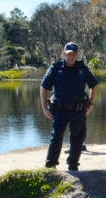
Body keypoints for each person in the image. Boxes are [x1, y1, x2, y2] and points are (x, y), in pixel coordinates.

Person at [40, 42, 98, 172]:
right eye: (68, 54)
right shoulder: (56, 68)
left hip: (79, 110)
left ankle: (73, 165)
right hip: (60, 109)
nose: (71, 57)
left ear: (77, 55)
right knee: (56, 137)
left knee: (77, 138)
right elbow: (44, 87)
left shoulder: (82, 68)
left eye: (73, 54)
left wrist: (91, 103)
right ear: (63, 54)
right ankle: (50, 165)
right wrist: (44, 107)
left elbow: (94, 85)